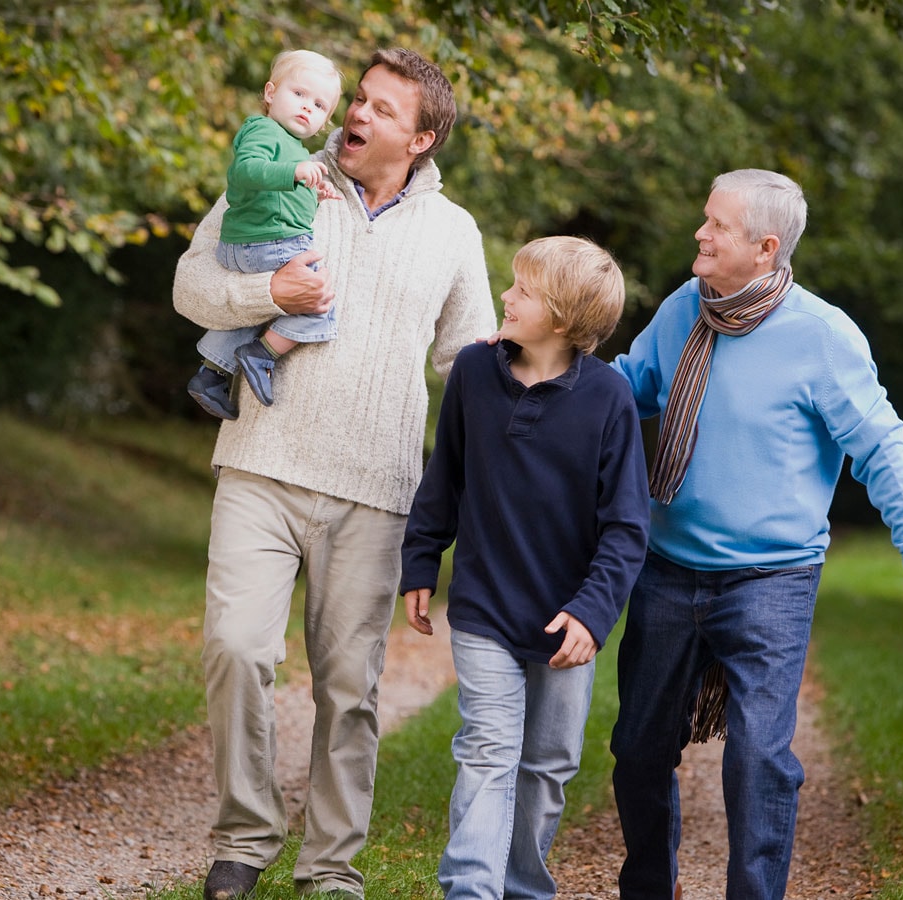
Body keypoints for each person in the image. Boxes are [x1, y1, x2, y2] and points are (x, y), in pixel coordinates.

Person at [171, 48, 497, 900]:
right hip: (260, 463)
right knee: (237, 651)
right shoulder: (279, 174)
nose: (356, 113)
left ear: (420, 138)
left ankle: (329, 867)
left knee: (350, 690)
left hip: (376, 490)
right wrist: (265, 291)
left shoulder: (454, 234)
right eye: (358, 98)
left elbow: (470, 363)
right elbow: (191, 285)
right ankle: (244, 838)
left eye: (383, 109)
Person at [607, 168, 903, 900]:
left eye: (717, 226)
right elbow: (628, 385)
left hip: (771, 578)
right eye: (705, 218)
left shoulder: (822, 337)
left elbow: (885, 453)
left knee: (758, 757)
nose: (700, 234)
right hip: (667, 569)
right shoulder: (681, 310)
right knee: (637, 749)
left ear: (765, 248)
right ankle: (647, 888)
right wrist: (544, 367)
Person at [400, 236, 650, 900]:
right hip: (484, 605)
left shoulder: (609, 400)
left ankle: (523, 888)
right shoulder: (475, 376)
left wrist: (593, 615)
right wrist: (422, 558)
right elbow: (444, 475)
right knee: (487, 751)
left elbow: (627, 528)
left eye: (524, 290)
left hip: (570, 621)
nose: (505, 296)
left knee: (546, 768)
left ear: (563, 320)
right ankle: (472, 892)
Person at [186, 49, 345, 419]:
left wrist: (313, 192)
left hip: (258, 241)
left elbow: (278, 196)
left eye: (320, 105)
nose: (308, 107)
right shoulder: (263, 129)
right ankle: (262, 354)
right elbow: (246, 172)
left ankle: (211, 375)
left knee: (256, 309)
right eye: (299, 94)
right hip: (262, 242)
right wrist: (294, 174)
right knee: (319, 301)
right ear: (271, 93)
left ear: (325, 121)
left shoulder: (296, 150)